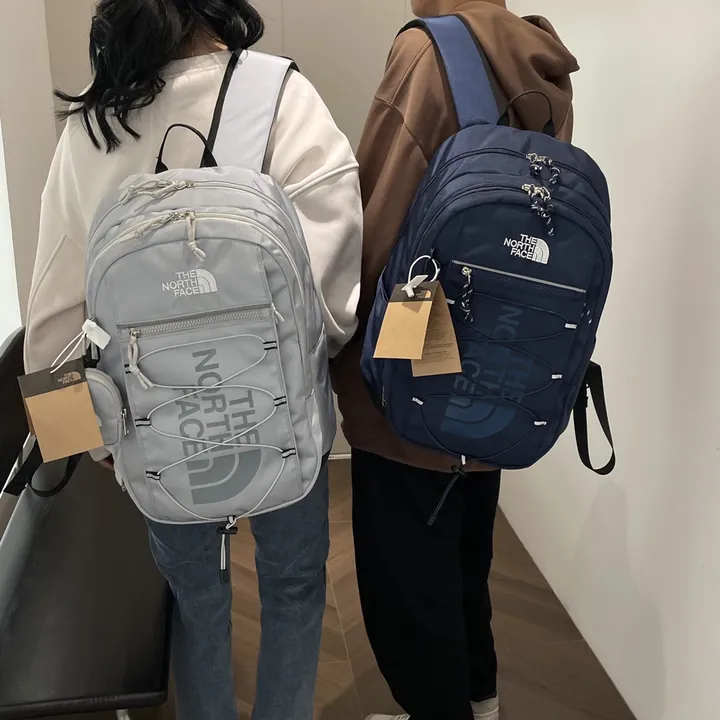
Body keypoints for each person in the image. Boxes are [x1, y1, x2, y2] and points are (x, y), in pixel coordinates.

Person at [24, 2, 362, 719]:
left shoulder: (94, 126)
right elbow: (334, 309)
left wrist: (91, 444)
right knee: (294, 588)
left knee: (193, 597)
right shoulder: (282, 95)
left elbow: (51, 327)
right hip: (284, 423)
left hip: (157, 432)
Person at [332, 1, 578, 719]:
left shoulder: (428, 54)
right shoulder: (540, 59)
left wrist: (339, 347)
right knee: (466, 557)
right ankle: (479, 700)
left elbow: (377, 220)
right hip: (505, 362)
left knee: (408, 584)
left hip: (409, 375)